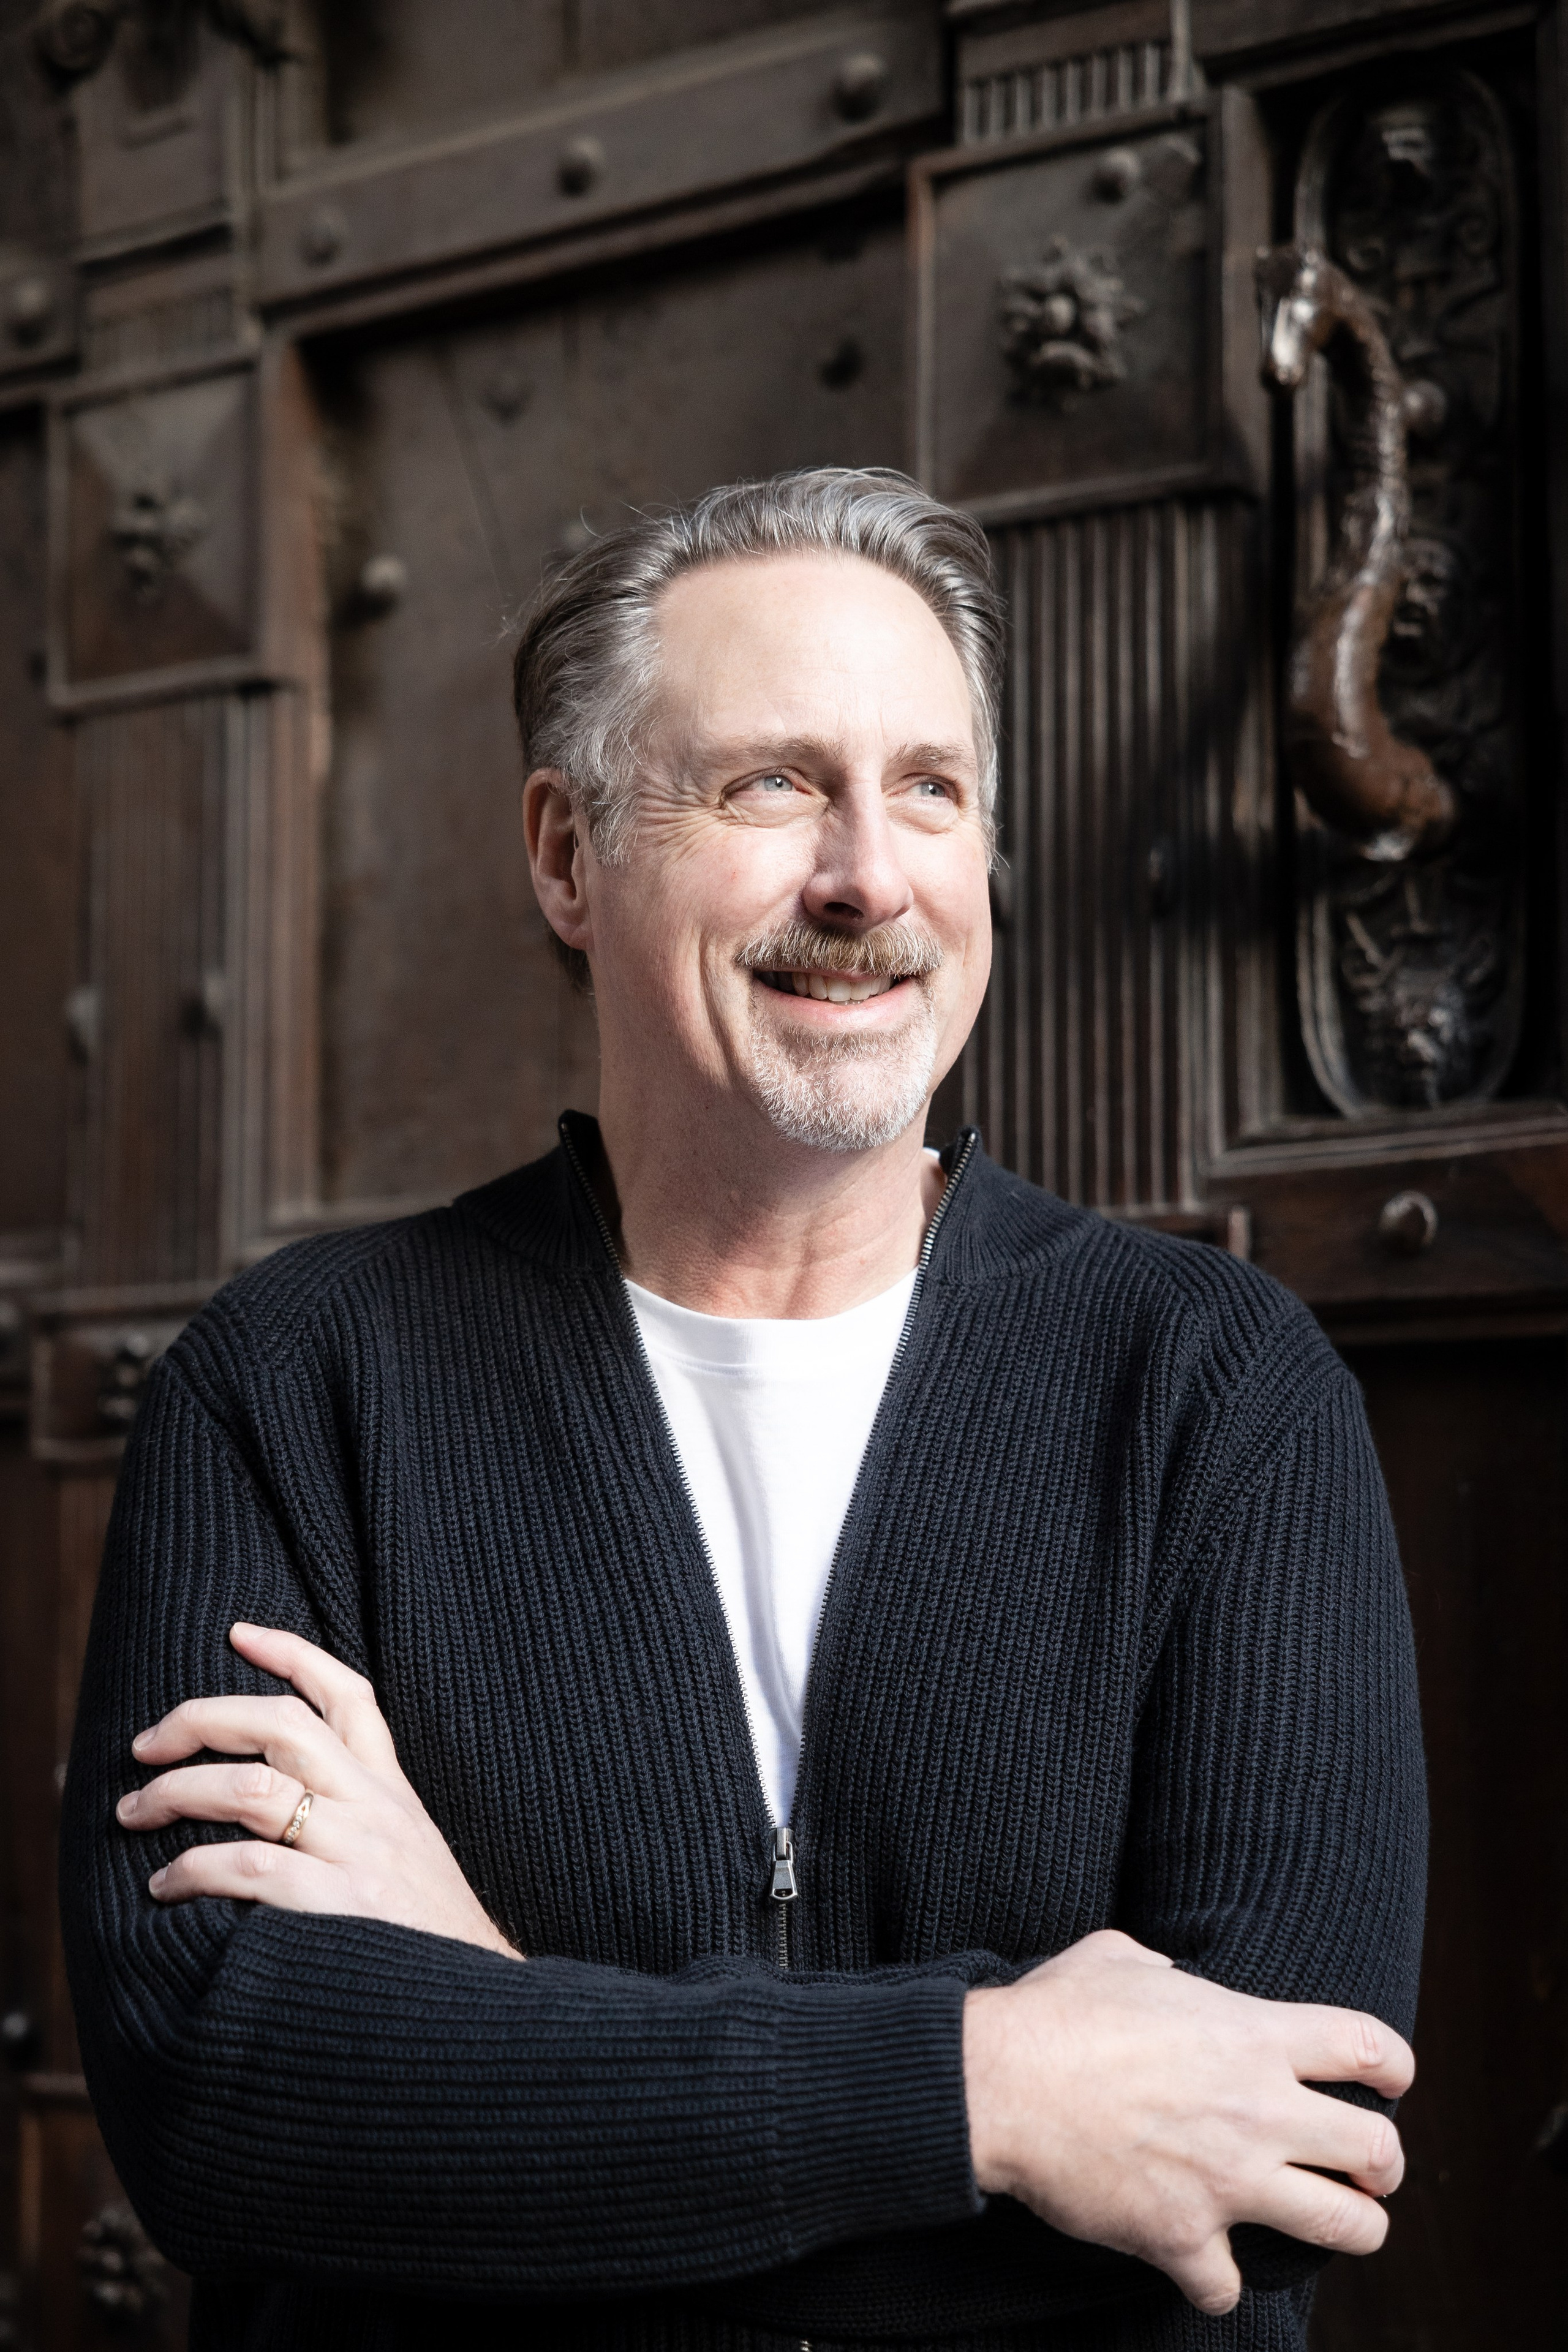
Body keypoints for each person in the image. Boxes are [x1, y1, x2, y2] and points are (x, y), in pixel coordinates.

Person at [61, 469, 1425, 2352]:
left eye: (932, 788)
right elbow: (225, 2110)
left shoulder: (1217, 1390)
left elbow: (1283, 2164)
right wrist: (997, 2095)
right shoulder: (299, 1387)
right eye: (772, 783)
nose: (871, 876)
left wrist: (482, 2002)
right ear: (566, 852)